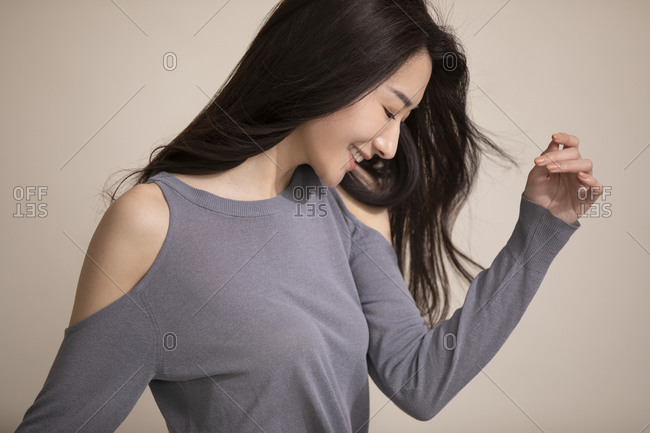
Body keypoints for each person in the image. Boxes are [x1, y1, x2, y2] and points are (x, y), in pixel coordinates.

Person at [14, 0, 602, 432]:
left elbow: (421, 382)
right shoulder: (155, 223)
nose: (394, 146)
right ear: (332, 69)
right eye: (389, 111)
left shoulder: (349, 207)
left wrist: (540, 230)